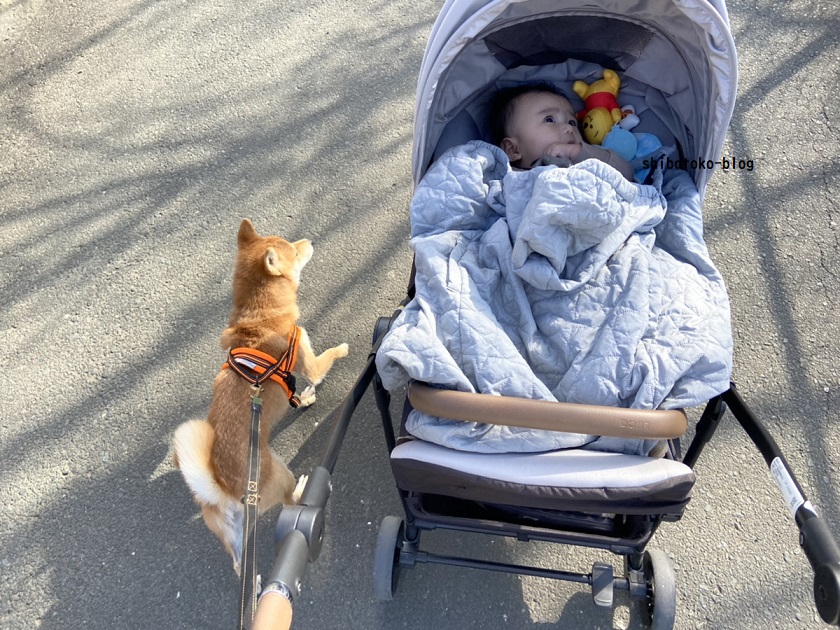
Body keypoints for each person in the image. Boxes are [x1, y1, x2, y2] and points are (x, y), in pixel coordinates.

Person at [489, 84, 635, 181]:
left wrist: (579, 153)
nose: (569, 128)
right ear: (512, 149)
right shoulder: (507, 179)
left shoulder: (590, 161)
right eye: (550, 119)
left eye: (572, 122)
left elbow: (627, 176)